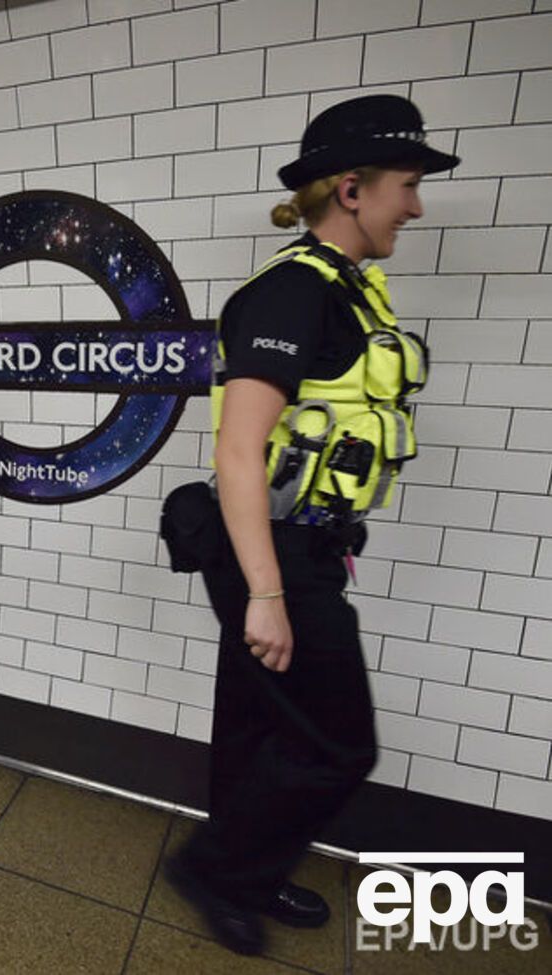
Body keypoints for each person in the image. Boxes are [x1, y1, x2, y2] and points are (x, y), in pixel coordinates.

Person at [162, 95, 457, 955]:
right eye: (408, 184)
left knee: (260, 719)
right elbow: (240, 451)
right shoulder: (293, 293)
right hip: (272, 551)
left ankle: (243, 869)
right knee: (340, 743)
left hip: (304, 544)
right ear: (354, 190)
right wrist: (266, 593)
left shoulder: (346, 292)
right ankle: (214, 865)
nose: (417, 204)